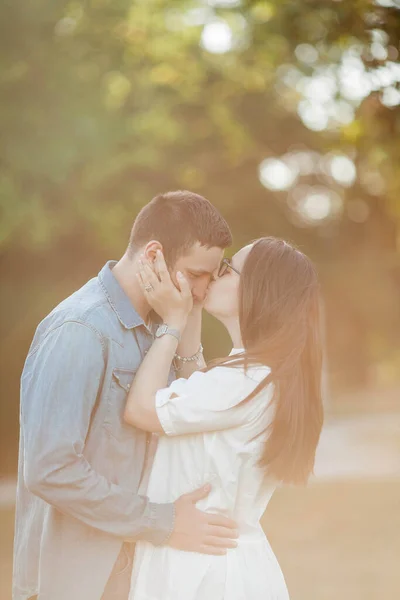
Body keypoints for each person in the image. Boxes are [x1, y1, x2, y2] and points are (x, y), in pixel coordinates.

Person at [13, 191, 239, 600]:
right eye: (197, 274)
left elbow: (197, 415)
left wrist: (184, 321)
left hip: (140, 577)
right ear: (153, 254)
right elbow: (49, 468)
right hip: (77, 583)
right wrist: (163, 521)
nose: (205, 290)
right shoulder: (80, 330)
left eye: (213, 275)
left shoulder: (163, 326)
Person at [124, 237, 324, 600]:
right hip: (217, 563)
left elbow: (141, 409)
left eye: (229, 268)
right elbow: (194, 396)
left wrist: (172, 322)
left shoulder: (245, 380)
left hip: (205, 574)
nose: (216, 274)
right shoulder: (253, 373)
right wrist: (192, 310)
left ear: (259, 292)